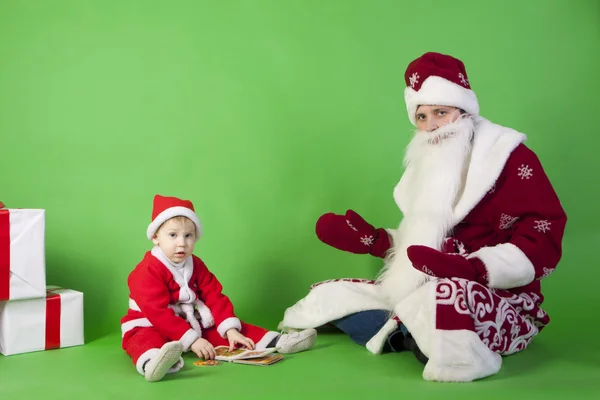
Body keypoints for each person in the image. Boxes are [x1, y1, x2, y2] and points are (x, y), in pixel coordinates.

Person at [278, 52, 567, 382]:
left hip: (503, 299)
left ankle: (417, 337)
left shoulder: (508, 158)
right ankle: (409, 334)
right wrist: (376, 241)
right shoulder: (427, 165)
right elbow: (423, 247)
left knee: (441, 298)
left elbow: (541, 236)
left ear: (463, 110)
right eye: (422, 116)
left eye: (440, 113)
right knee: (334, 293)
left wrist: (473, 268)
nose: (431, 126)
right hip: (429, 282)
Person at [121, 194, 317, 382]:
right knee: (144, 339)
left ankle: (279, 341)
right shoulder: (146, 270)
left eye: (188, 235)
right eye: (173, 235)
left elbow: (214, 295)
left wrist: (229, 329)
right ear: (156, 237)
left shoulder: (195, 264)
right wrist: (192, 340)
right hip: (149, 322)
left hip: (186, 322)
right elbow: (157, 312)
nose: (182, 243)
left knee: (229, 330)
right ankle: (153, 363)